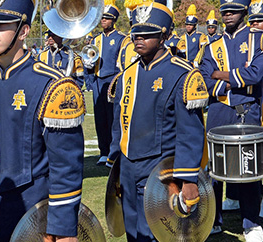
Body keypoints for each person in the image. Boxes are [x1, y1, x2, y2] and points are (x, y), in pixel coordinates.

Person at [0, 0, 85, 240]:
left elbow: (66, 166)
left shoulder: (53, 85)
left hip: (36, 207)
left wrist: (63, 227)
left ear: (23, 31)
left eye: (2, 24)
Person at [106, 1, 208, 240]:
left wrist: (188, 178)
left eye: (147, 34)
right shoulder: (126, 75)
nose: (139, 39)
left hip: (160, 169)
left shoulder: (181, 74)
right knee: (133, 230)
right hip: (128, 166)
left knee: (155, 232)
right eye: (135, 34)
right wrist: (115, 162)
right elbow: (119, 123)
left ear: (164, 36)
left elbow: (190, 132)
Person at [198, 0, 263, 240]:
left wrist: (222, 76)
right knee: (214, 169)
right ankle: (213, 221)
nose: (227, 15)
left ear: (244, 12)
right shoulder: (212, 45)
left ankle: (251, 223)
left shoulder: (259, 39)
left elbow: (256, 73)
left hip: (249, 109)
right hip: (219, 110)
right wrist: (232, 83)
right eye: (224, 11)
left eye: (233, 11)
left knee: (249, 167)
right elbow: (205, 79)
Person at [84, 0, 128, 166]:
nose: (103, 20)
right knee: (99, 117)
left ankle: (114, 150)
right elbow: (90, 60)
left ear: (114, 20)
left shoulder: (121, 39)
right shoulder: (96, 39)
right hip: (98, 81)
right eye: (102, 17)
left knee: (113, 117)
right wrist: (88, 69)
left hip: (112, 80)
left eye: (107, 18)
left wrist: (117, 82)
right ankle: (103, 151)